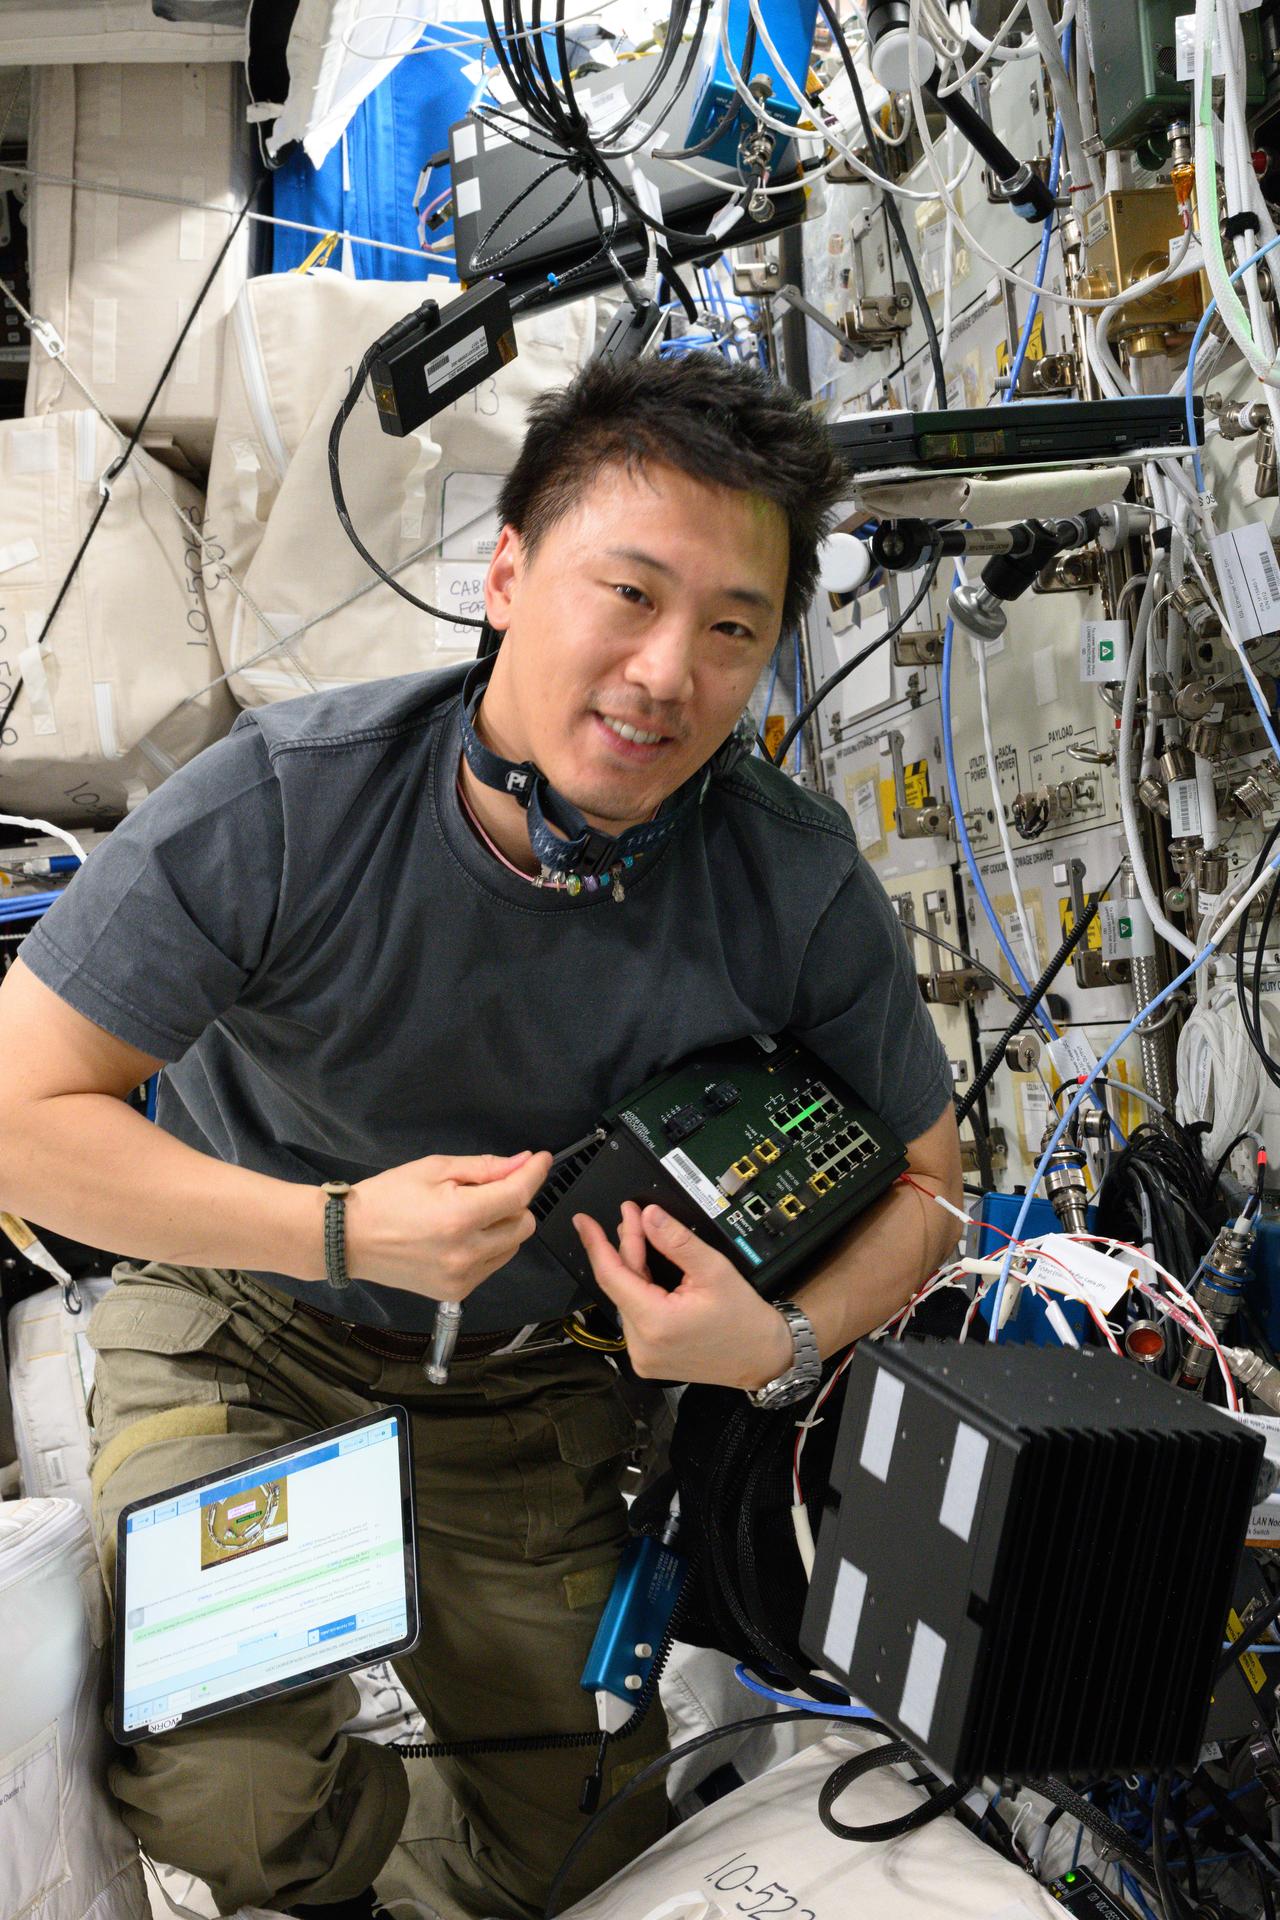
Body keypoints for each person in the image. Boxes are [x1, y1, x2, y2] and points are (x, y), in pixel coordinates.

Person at [0, 351, 962, 1920]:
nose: (669, 673)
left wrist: (773, 1337)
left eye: (735, 630)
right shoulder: (291, 808)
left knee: (584, 1847)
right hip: (256, 1339)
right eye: (628, 595)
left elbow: (935, 1189)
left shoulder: (786, 875)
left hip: (530, 1395)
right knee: (238, 1797)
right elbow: (17, 1117)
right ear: (508, 572)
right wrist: (338, 1231)